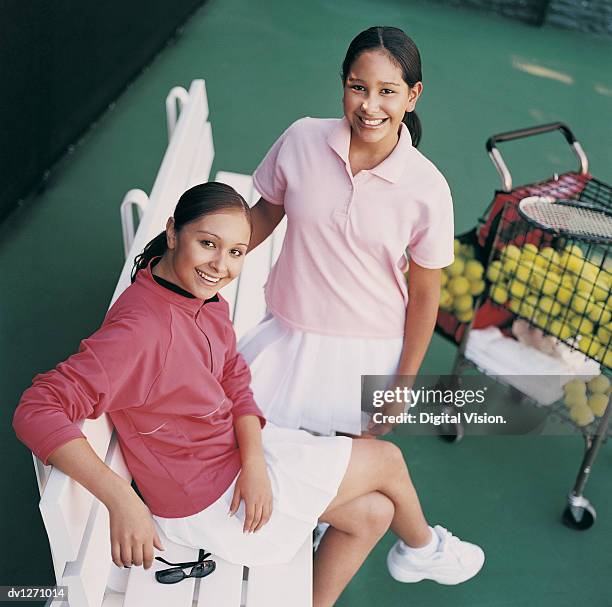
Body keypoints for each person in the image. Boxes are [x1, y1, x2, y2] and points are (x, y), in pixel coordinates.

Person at [13, 183, 483, 607]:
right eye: (208, 244)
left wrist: (254, 462)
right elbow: (37, 409)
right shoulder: (142, 330)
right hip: (200, 498)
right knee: (386, 460)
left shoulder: (198, 296)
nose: (221, 265)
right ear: (173, 232)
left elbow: (234, 373)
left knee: (374, 513)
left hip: (232, 460)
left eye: (236, 251)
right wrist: (121, 499)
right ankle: (423, 549)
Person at [239, 26, 454, 437]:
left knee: (334, 481)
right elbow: (265, 213)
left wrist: (402, 386)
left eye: (388, 91)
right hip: (286, 332)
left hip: (368, 355)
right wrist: (205, 258)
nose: (370, 105)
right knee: (250, 451)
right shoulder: (301, 138)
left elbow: (426, 294)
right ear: (343, 85)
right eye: (359, 87)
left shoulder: (429, 188)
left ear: (413, 96)